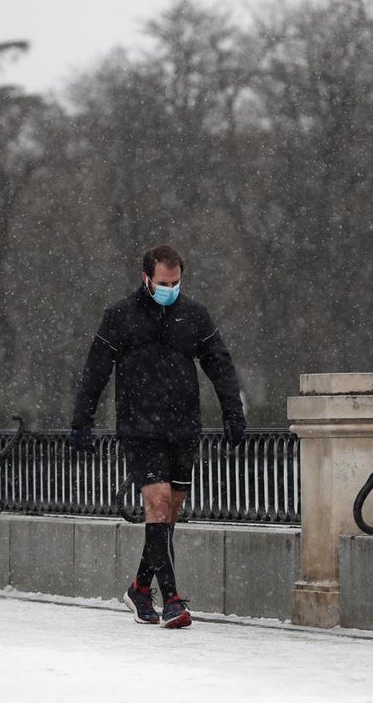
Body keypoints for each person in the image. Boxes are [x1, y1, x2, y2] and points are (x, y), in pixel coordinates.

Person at [68, 245, 246, 628]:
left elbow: (220, 363)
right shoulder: (120, 316)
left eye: (176, 282)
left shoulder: (194, 315)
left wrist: (233, 412)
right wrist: (81, 421)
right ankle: (173, 601)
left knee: (170, 511)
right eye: (163, 283)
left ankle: (138, 588)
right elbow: (95, 370)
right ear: (145, 277)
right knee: (159, 501)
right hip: (140, 427)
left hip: (183, 426)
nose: (170, 289)